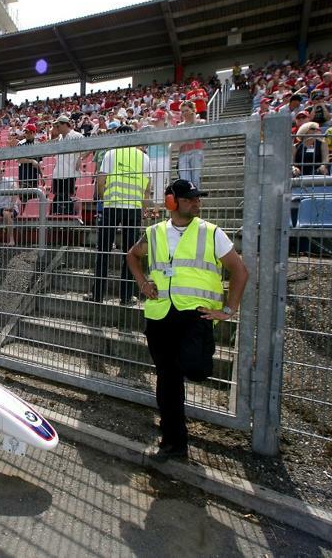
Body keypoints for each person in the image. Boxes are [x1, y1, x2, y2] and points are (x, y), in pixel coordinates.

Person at [125, 179, 248, 460]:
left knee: (195, 368)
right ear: (172, 202)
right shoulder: (154, 233)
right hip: (160, 315)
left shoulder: (212, 233)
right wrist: (143, 283)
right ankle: (173, 441)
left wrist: (229, 310)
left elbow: (240, 272)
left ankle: (174, 431)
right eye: (190, 198)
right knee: (167, 380)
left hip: (195, 315)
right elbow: (132, 256)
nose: (196, 203)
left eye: (197, 198)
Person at [87, 126, 151, 304]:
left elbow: (101, 181)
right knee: (130, 253)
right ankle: (126, 296)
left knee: (103, 251)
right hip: (134, 209)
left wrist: (103, 198)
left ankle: (98, 295)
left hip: (112, 206)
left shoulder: (111, 153)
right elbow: (147, 189)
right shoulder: (144, 158)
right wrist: (143, 209)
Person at [50, 115, 83, 215]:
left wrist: (81, 158)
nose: (57, 128)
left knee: (66, 195)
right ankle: (59, 214)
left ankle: (67, 214)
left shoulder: (77, 136)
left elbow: (88, 147)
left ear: (65, 124)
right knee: (58, 195)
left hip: (70, 171)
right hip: (58, 172)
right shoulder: (59, 137)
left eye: (58, 125)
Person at [0, 167, 18, 246]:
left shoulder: (10, 181)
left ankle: (11, 239)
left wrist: (11, 206)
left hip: (11, 207)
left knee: (6, 213)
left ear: (2, 173)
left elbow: (15, 193)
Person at [176, 102, 204, 188]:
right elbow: (176, 143)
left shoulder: (201, 122)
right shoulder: (179, 126)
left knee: (196, 179)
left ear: (193, 110)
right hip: (183, 154)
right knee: (185, 180)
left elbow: (197, 137)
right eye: (182, 111)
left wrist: (194, 119)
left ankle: (195, 199)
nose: (184, 113)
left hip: (197, 152)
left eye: (187, 111)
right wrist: (188, 140)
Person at [16, 123, 42, 203]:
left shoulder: (38, 145)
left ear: (33, 133)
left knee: (33, 202)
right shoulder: (21, 144)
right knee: (24, 200)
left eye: (28, 132)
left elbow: (39, 162)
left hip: (34, 178)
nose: (26, 134)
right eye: (25, 132)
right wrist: (31, 161)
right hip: (24, 177)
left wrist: (42, 175)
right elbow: (19, 159)